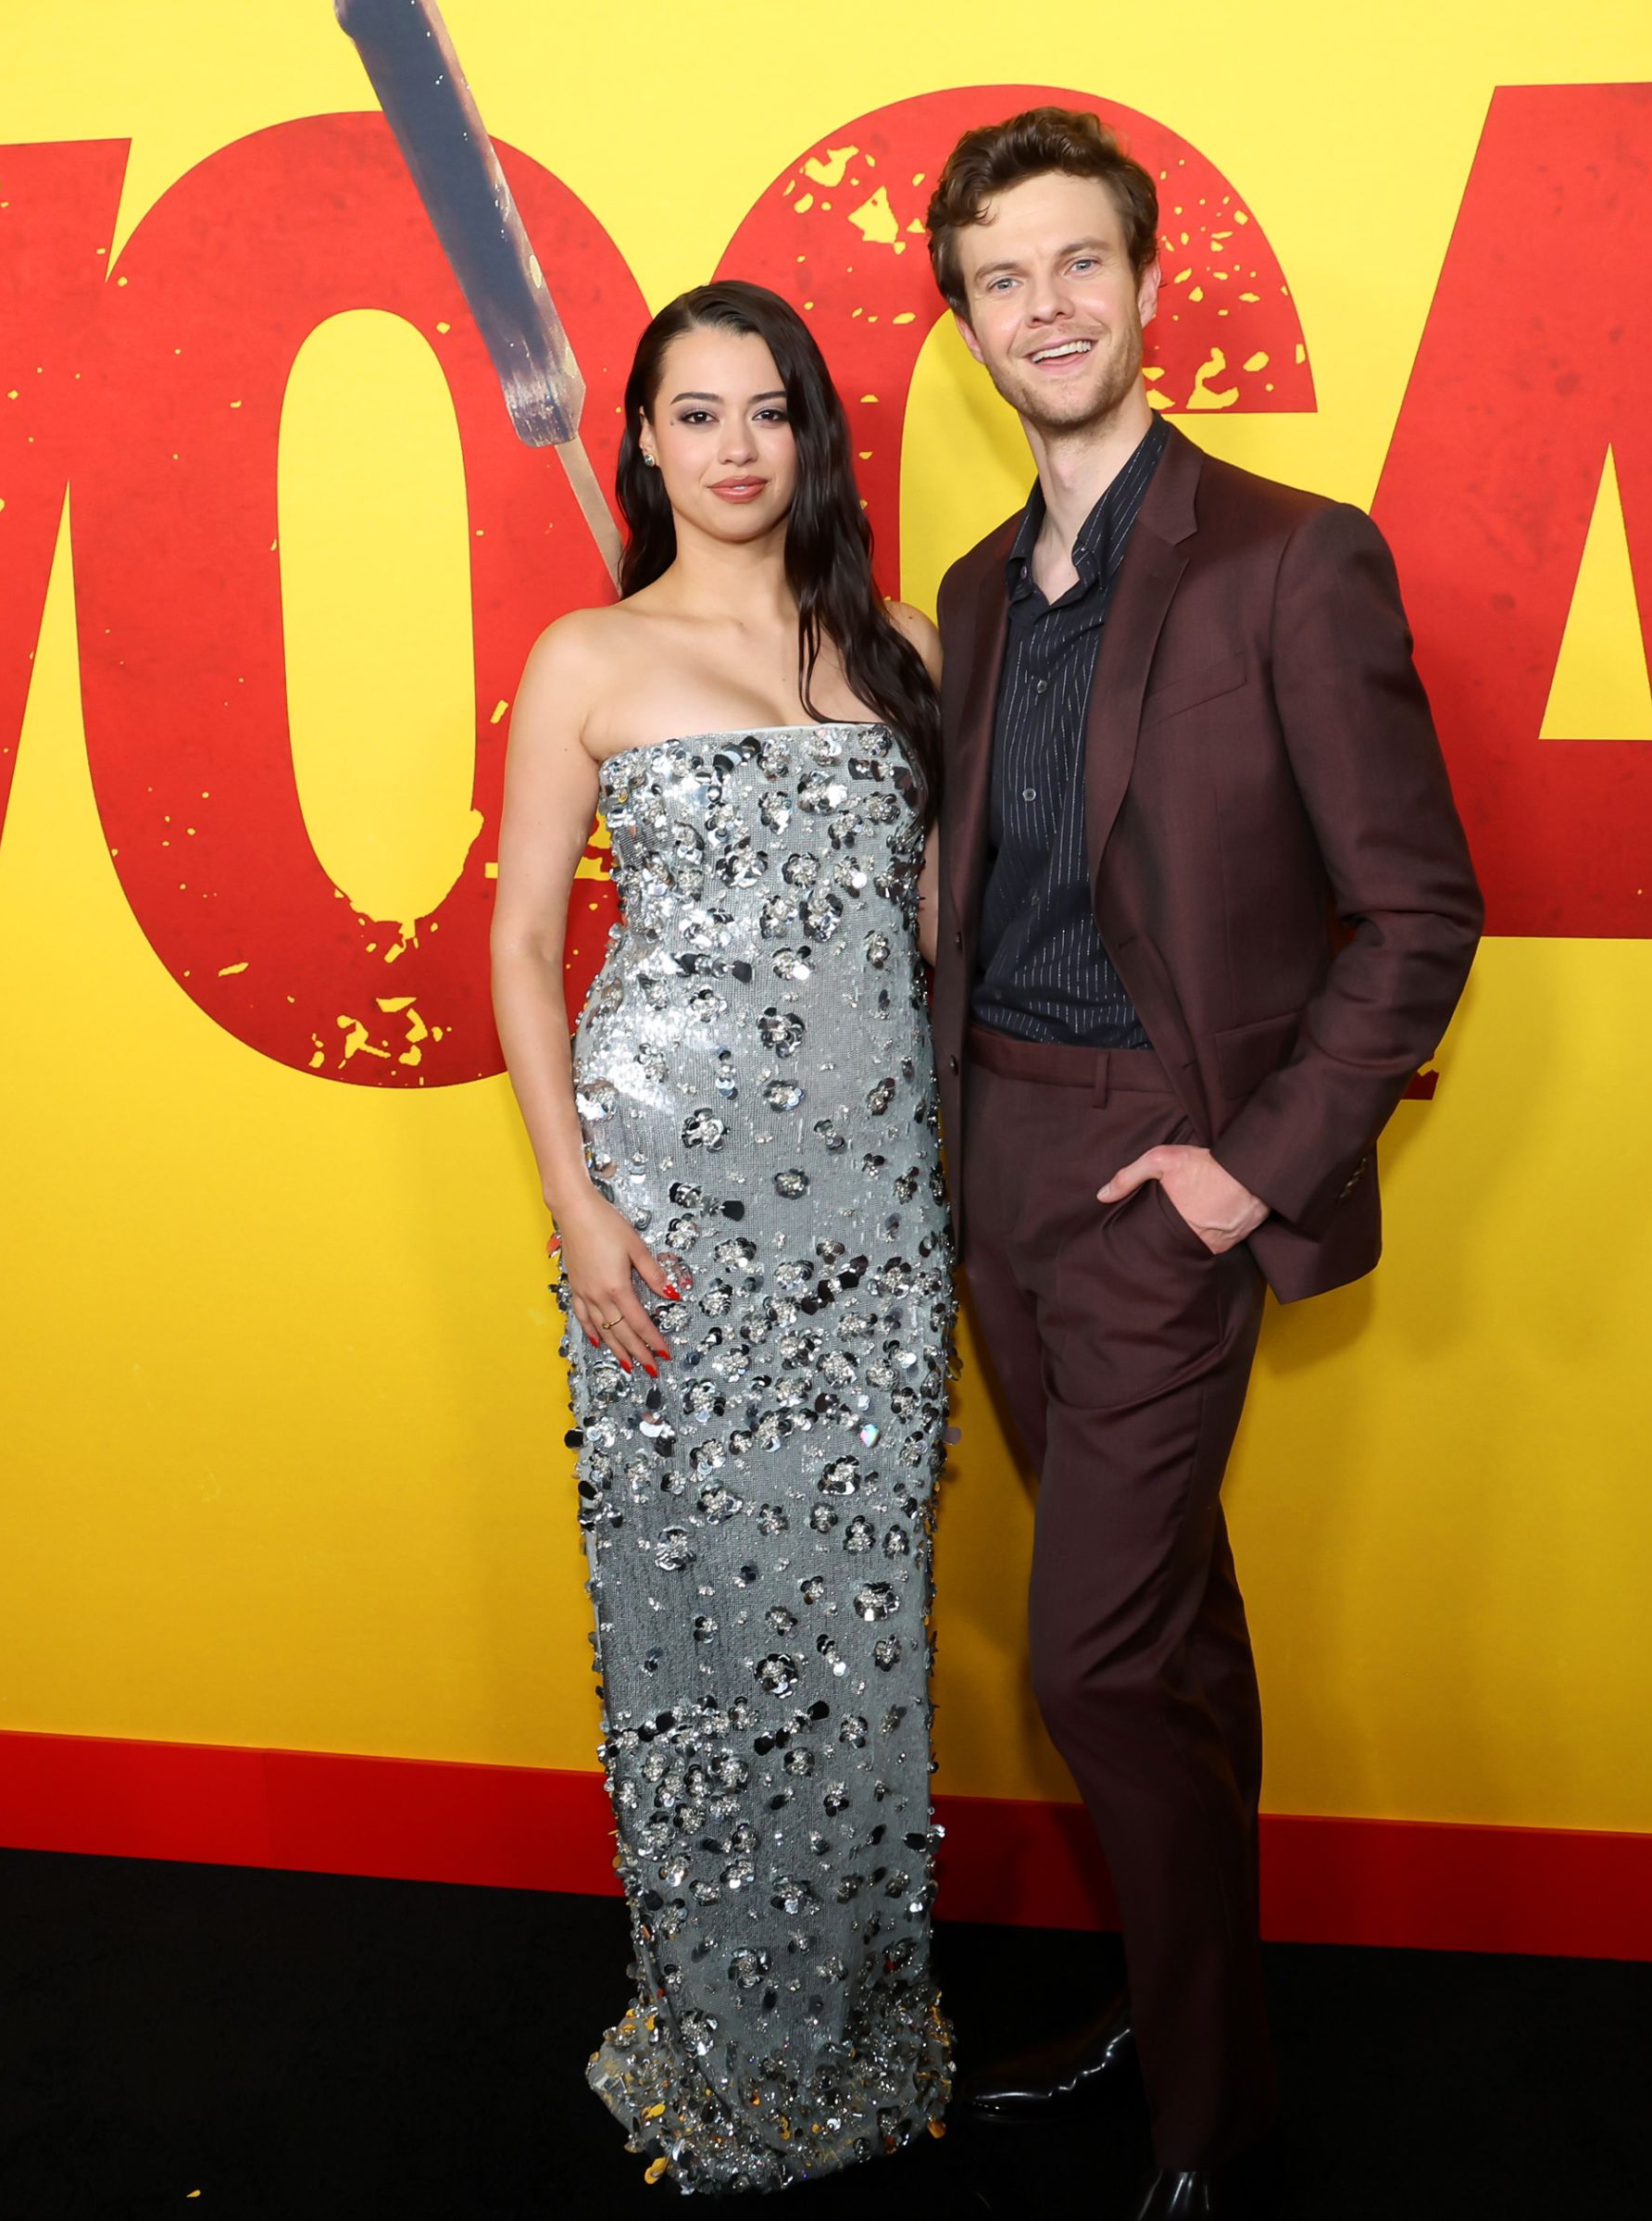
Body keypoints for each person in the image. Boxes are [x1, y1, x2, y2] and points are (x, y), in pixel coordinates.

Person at [920, 109, 1483, 2218]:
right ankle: (1186, 2027)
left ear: (1151, 288)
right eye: (1002, 279)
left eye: (1080, 263)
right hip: (994, 1165)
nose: (1046, 307)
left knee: (1086, 1656)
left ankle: (1207, 2131)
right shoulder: (975, 595)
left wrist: (1243, 1171)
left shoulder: (1287, 557)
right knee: (1167, 1638)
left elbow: (1419, 909)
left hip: (1162, 1171)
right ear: (966, 322)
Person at [488, 280, 954, 2194]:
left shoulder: (903, 646)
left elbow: (941, 938)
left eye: (769, 411)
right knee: (695, 1625)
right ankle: (722, 2041)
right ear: (645, 443)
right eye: (698, 414)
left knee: (860, 1620)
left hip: (877, 1209)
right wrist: (577, 1205)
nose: (738, 447)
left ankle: (853, 2025)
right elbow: (525, 941)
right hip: (665, 1208)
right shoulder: (589, 654)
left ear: (811, 434)